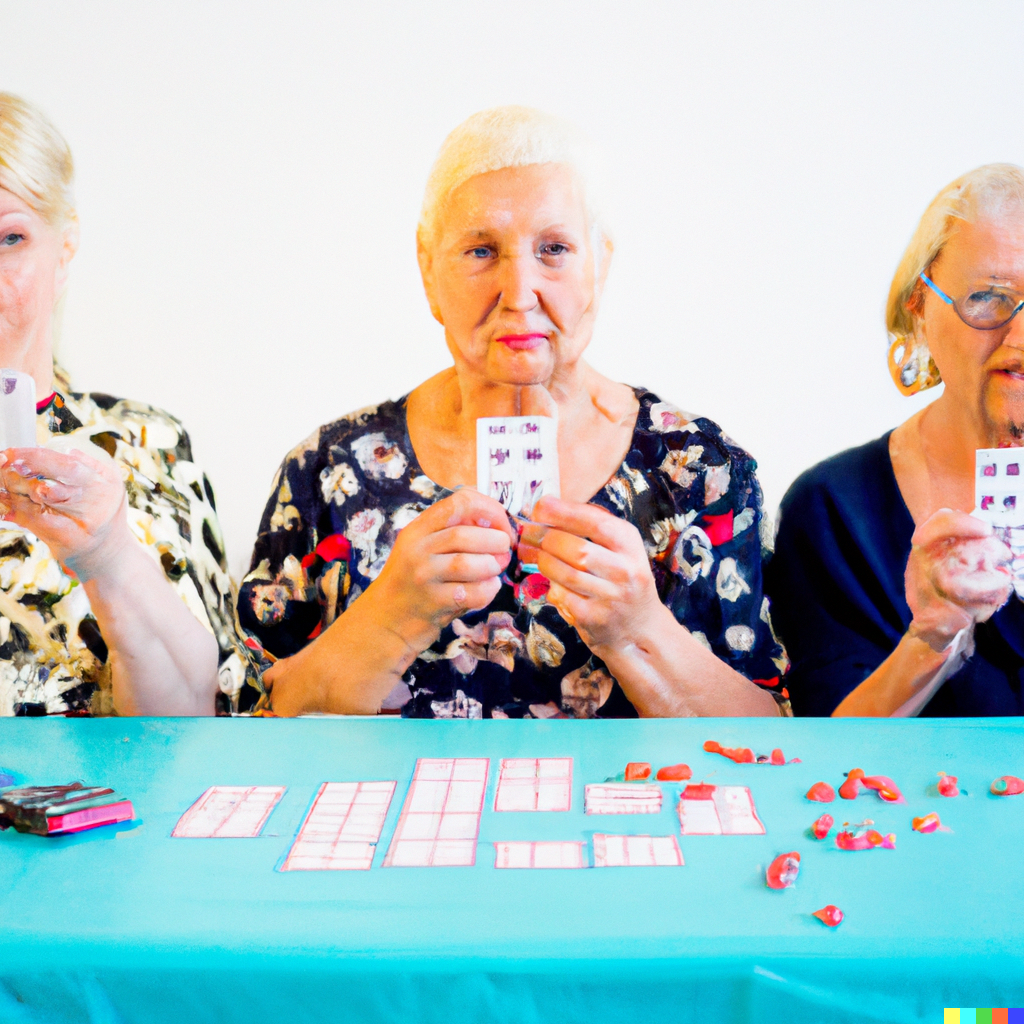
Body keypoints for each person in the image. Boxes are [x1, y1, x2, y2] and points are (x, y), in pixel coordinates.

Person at [239, 106, 787, 719]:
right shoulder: (327, 471)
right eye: (480, 250)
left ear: (600, 263)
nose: (519, 293)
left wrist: (638, 628)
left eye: (554, 248)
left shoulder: (699, 470)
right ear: (427, 268)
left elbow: (771, 738)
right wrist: (391, 617)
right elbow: (254, 719)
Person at [0, 93, 254, 716]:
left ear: (63, 251)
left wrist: (106, 557)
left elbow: (201, 719)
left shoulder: (148, 446)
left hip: (109, 813)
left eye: (10, 237)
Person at [767, 164, 1024, 717]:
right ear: (920, 307)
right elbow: (824, 756)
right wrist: (931, 637)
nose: (1020, 335)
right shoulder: (833, 511)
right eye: (987, 296)